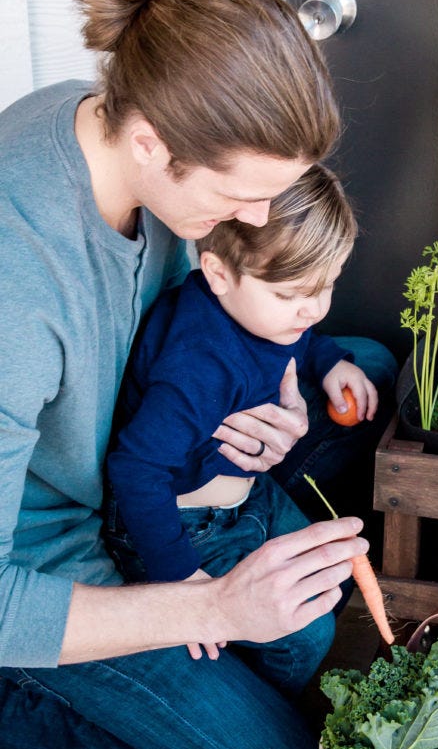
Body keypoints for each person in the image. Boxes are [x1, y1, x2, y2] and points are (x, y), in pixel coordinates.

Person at [0, 0, 396, 749]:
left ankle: (209, 666)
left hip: (141, 441)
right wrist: (207, 607)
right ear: (152, 146)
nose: (256, 222)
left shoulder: (137, 118)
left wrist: (290, 411)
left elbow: (236, 323)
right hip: (49, 545)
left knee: (362, 366)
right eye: (239, 197)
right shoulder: (20, 284)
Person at [104, 163, 375, 676]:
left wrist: (331, 360)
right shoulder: (200, 368)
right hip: (190, 527)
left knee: (330, 581)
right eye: (293, 295)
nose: (313, 309)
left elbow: (299, 337)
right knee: (304, 637)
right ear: (219, 273)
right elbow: (136, 469)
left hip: (250, 494)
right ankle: (266, 700)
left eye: (328, 285)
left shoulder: (258, 309)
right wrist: (183, 585)